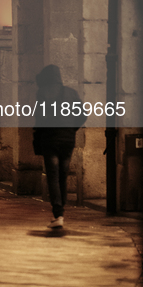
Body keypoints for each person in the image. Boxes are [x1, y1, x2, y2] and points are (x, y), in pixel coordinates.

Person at [33, 64, 87, 229]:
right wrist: (71, 128)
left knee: (53, 176)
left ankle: (59, 213)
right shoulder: (71, 93)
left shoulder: (42, 93)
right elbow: (82, 115)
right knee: (63, 174)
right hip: (68, 141)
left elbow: (39, 118)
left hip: (51, 140)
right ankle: (62, 207)